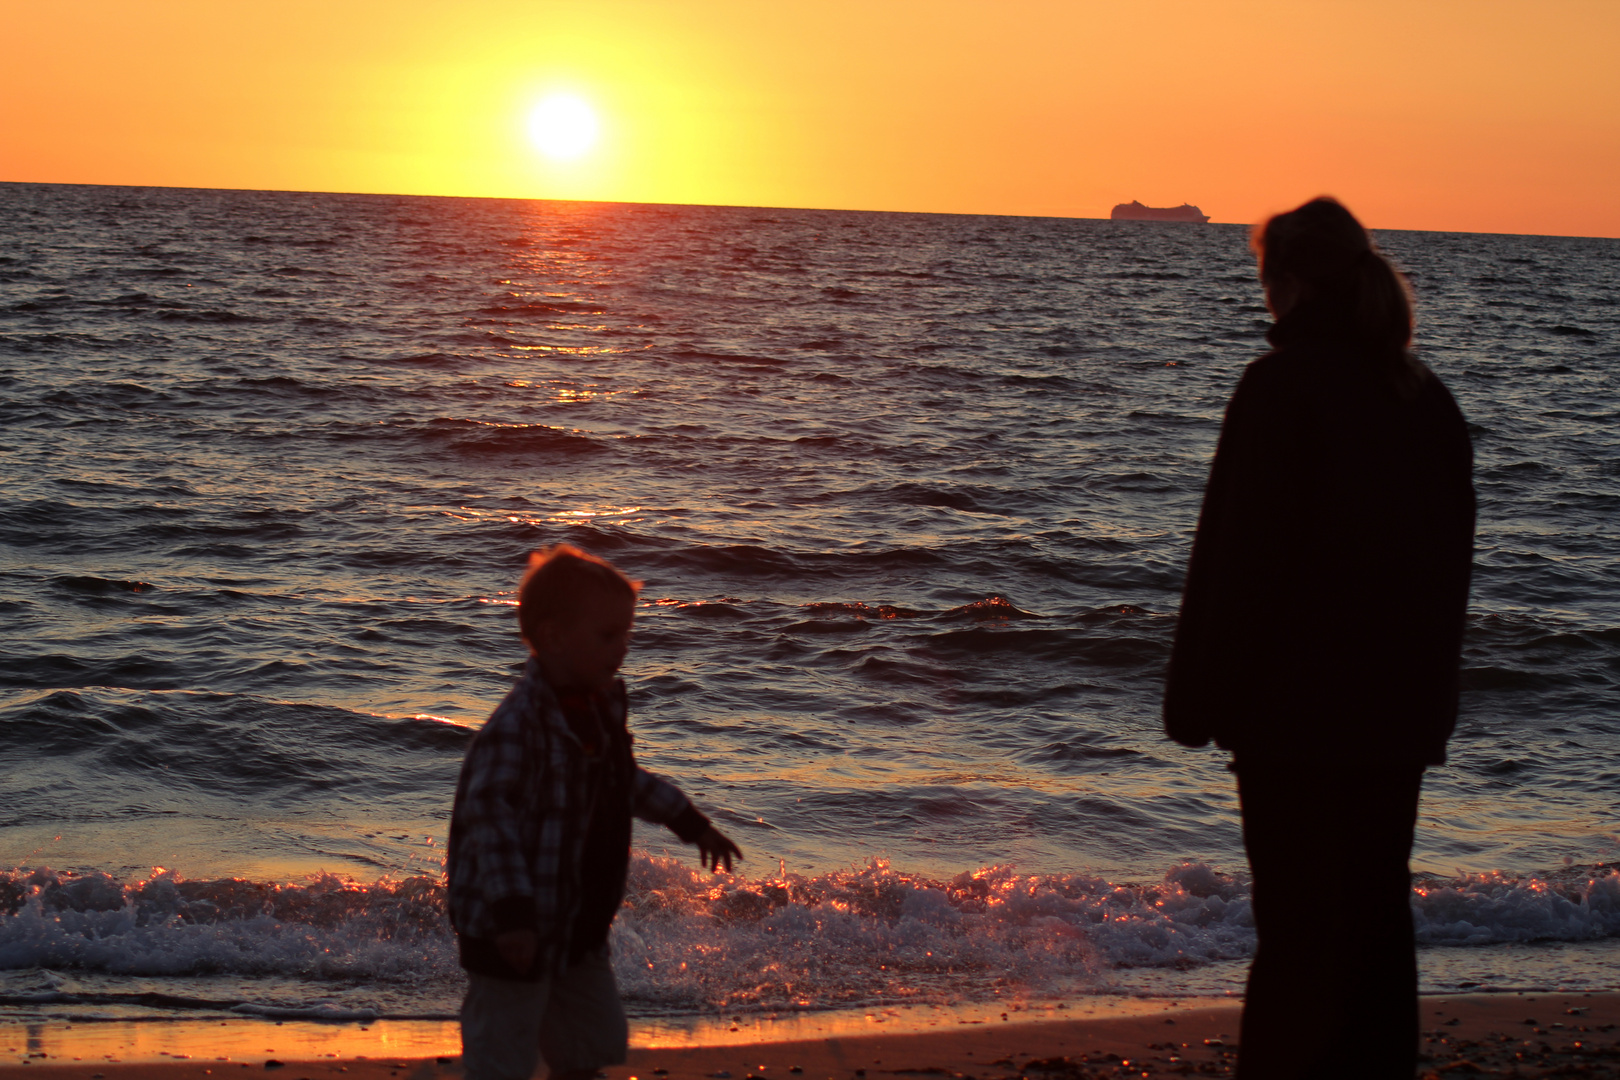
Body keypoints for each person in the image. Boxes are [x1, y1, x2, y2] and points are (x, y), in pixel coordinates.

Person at [1163, 197, 1475, 1079]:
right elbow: (1450, 571)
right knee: (1376, 928)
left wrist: (1194, 699)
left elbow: (1235, 558)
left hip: (1293, 721)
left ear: (1288, 284)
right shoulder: (1424, 397)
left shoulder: (1280, 389)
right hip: (1397, 721)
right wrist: (1432, 707)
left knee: (1297, 933)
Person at [447, 544, 742, 1080]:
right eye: (608, 636)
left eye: (627, 634)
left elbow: (623, 783)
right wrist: (512, 913)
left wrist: (689, 822)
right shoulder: (518, 727)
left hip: (575, 922)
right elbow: (490, 822)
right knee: (502, 1051)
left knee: (595, 1039)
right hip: (508, 927)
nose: (623, 648)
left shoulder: (595, 713)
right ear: (556, 637)